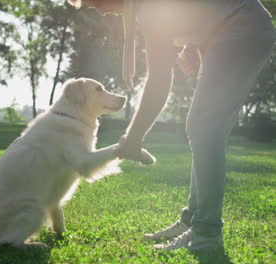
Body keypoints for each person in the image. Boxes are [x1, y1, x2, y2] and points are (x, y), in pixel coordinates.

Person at [68, 0, 275, 251]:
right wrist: (191, 43)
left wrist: (133, 138)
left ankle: (206, 234)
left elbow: (159, 80)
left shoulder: (149, 9)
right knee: (206, 127)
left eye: (93, 0)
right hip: (232, 26)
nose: (96, 9)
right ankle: (193, 221)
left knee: (204, 126)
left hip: (240, 26)